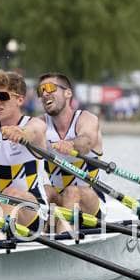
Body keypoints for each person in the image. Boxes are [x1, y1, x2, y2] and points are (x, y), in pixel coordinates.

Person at [0, 70, 48, 238]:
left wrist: (22, 133)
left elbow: (36, 130)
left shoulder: (34, 123)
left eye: (3, 97)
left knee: (10, 193)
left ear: (20, 100)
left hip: (33, 211)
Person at [37, 72, 105, 231]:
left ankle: (61, 237)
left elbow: (86, 141)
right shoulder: (39, 124)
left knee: (72, 191)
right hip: (61, 201)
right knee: (45, 191)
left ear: (67, 93)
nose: (45, 93)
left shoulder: (87, 119)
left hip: (91, 205)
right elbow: (28, 131)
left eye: (50, 88)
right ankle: (42, 233)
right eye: (41, 91)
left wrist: (71, 144)